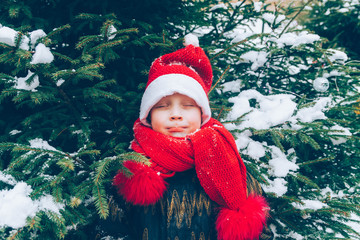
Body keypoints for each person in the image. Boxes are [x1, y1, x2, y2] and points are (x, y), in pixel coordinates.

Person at [112, 34, 270, 240]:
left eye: (188, 105)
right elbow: (111, 228)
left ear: (202, 114)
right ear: (148, 116)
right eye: (161, 106)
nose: (176, 114)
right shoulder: (131, 172)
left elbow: (261, 233)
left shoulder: (228, 166)